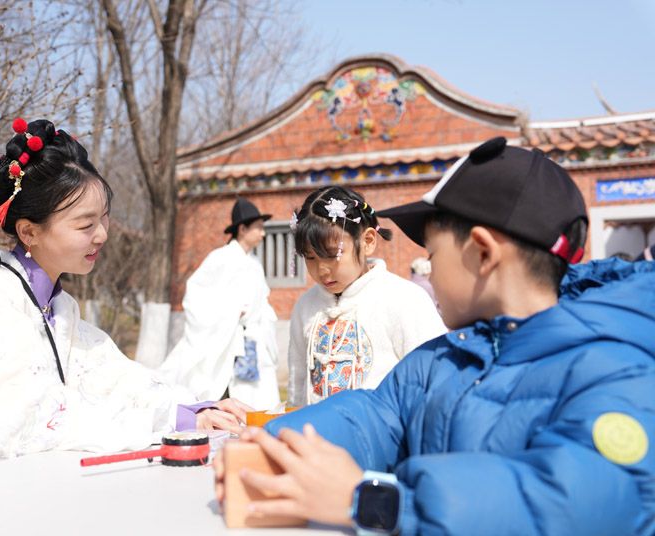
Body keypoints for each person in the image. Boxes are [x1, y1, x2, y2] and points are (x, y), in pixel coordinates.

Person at [215, 138, 655, 535]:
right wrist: (273, 445)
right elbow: (371, 418)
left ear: (482, 252)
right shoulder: (442, 360)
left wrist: (375, 502)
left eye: (433, 253)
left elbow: (574, 503)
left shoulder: (618, 371)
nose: (427, 269)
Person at [0, 118, 247, 493]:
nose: (102, 235)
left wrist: (190, 412)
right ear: (29, 231)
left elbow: (115, 381)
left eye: (104, 219)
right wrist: (163, 421)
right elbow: (14, 421)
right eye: (85, 225)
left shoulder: (61, 309)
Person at [286, 186, 444, 407]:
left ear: (368, 241)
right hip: (313, 428)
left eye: (332, 255)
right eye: (310, 258)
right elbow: (298, 382)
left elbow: (434, 379)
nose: (322, 269)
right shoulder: (305, 306)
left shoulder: (404, 299)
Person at [159, 197, 280, 410]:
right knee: (218, 393)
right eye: (259, 228)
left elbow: (262, 300)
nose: (263, 234)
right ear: (242, 229)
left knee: (254, 397)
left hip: (251, 340)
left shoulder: (254, 264)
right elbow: (196, 296)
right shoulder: (220, 258)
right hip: (222, 339)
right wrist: (231, 313)